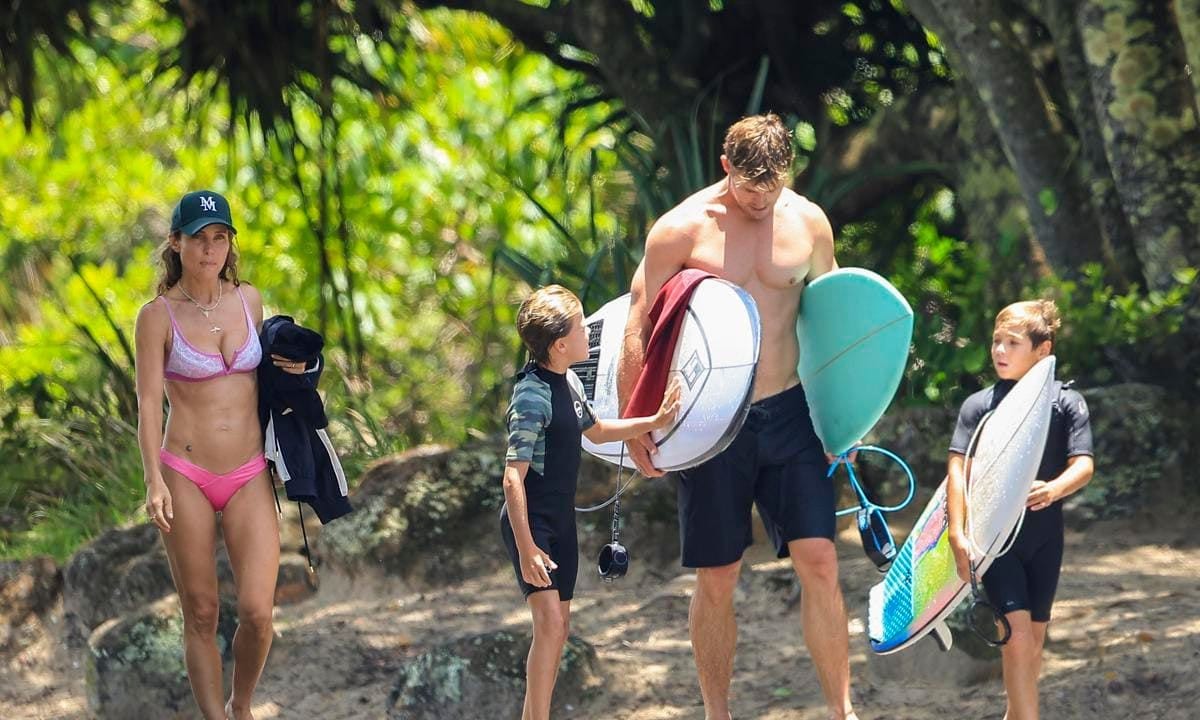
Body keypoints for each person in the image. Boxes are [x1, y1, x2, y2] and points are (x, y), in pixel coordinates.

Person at [617, 113, 858, 720]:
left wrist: (846, 416)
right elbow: (637, 323)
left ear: (787, 174)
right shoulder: (681, 229)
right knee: (719, 575)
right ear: (726, 168)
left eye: (771, 189)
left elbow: (835, 322)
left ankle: (842, 710)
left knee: (821, 560)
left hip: (793, 412)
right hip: (710, 424)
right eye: (749, 191)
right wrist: (635, 423)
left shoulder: (809, 223)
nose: (760, 202)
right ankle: (715, 712)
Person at [134, 190, 306, 720]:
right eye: (199, 238)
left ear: (230, 244)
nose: (210, 249)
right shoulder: (156, 316)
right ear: (176, 243)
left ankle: (241, 705)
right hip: (184, 471)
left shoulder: (249, 299)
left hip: (249, 470)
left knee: (257, 612)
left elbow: (267, 379)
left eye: (220, 237)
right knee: (202, 612)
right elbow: (146, 405)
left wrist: (297, 373)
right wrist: (154, 482)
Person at [501, 284, 681, 720]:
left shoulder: (569, 381)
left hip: (560, 521)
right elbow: (512, 479)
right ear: (561, 344)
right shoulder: (532, 394)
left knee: (560, 629)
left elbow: (596, 431)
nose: (590, 333)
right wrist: (528, 549)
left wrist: (654, 420)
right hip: (532, 524)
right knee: (548, 627)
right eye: (583, 327)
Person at [947, 300, 1094, 720]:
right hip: (995, 539)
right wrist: (958, 533)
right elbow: (959, 472)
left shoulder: (1066, 403)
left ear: (1042, 350)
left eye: (1012, 343)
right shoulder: (979, 406)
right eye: (996, 341)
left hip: (1046, 537)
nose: (999, 351)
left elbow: (1083, 465)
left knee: (1033, 644)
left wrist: (1053, 489)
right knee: (1015, 640)